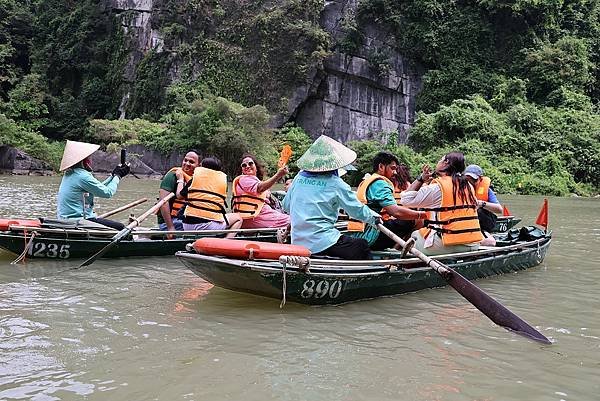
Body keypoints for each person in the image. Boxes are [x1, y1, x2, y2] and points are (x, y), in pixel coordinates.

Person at [283, 135, 380, 259]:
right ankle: (369, 275)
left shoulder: (298, 178)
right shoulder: (336, 183)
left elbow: (286, 206)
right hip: (322, 242)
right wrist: (375, 218)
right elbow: (356, 209)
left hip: (298, 242)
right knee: (361, 245)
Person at [400, 152, 483, 255]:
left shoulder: (438, 187)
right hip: (473, 243)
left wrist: (421, 179)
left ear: (446, 163)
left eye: (440, 160)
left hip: (449, 244)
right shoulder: (468, 185)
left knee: (415, 234)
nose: (438, 162)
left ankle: (403, 264)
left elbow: (405, 200)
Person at [348, 152, 425, 251]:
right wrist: (422, 214)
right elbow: (396, 212)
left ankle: (396, 249)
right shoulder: (380, 183)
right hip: (371, 235)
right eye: (392, 168)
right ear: (381, 166)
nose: (395, 172)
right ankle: (397, 251)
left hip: (358, 233)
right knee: (418, 220)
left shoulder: (367, 181)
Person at [57, 140, 130, 230]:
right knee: (121, 227)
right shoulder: (82, 176)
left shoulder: (70, 173)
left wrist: (113, 175)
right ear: (85, 160)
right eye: (90, 158)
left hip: (66, 219)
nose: (91, 160)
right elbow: (107, 193)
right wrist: (118, 176)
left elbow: (98, 188)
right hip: (79, 221)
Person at [176, 156, 242, 238]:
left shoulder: (194, 179)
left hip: (187, 225)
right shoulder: (222, 183)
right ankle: (226, 241)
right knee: (238, 218)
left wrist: (180, 180)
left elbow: (179, 195)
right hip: (208, 226)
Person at [231, 154, 290, 229]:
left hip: (260, 216)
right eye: (244, 165)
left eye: (250, 163)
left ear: (256, 167)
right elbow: (260, 188)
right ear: (242, 170)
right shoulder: (244, 179)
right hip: (256, 217)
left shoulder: (255, 181)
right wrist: (278, 175)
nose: (247, 166)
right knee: (294, 221)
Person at [157, 150, 200, 235]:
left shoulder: (197, 179)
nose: (187, 163)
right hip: (171, 222)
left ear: (199, 165)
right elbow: (163, 202)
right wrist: (170, 228)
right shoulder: (172, 176)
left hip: (187, 220)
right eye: (185, 160)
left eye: (191, 162)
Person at [464, 164, 504, 246]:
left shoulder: (487, 190)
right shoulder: (460, 189)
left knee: (480, 211)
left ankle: (483, 234)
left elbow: (499, 209)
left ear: (480, 179)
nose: (470, 182)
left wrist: (482, 203)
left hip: (482, 222)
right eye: (467, 179)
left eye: (473, 180)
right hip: (465, 222)